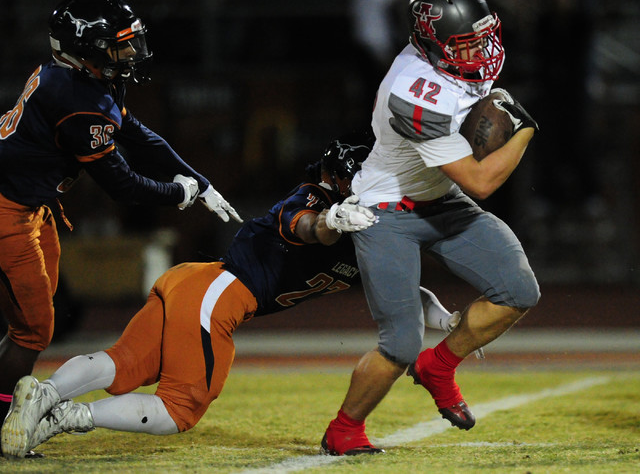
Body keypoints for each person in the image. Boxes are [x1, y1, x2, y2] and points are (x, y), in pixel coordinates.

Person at [1, 139, 463, 458]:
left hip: (198, 282)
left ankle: (40, 394)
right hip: (219, 294)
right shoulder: (313, 201)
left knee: (125, 364)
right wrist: (333, 221)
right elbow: (308, 227)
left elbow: (397, 285)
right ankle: (61, 416)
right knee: (179, 409)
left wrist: (441, 318)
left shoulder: (368, 231)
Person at [0, 0, 241, 447]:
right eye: (118, 43)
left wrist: (200, 181)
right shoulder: (74, 97)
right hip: (6, 209)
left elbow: (139, 135)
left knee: (33, 322)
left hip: (31, 204)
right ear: (85, 47)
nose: (130, 52)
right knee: (32, 330)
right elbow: (123, 186)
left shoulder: (82, 77)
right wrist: (180, 194)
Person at [320, 0, 541, 456]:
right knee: (399, 344)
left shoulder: (453, 63)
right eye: (466, 44)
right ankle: (344, 429)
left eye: (483, 37)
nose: (480, 51)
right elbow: (480, 181)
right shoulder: (413, 90)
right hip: (385, 210)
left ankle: (439, 366)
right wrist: (522, 131)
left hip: (437, 199)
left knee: (518, 290)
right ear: (430, 42)